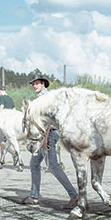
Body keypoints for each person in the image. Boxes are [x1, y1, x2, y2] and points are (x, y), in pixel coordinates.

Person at [22, 75, 78, 209]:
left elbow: (50, 120)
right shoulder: (41, 98)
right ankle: (34, 196)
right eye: (33, 84)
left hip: (50, 134)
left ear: (43, 84)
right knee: (34, 164)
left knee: (53, 166)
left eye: (37, 84)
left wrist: (45, 139)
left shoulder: (46, 98)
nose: (34, 86)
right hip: (45, 135)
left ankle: (74, 195)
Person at [0, 85, 18, 169]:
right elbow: (14, 110)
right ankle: (2, 160)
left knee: (0, 141)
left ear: (0, 91)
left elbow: (1, 109)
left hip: (3, 123)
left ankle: (15, 154)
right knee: (5, 142)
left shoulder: (2, 98)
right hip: (11, 123)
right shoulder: (11, 99)